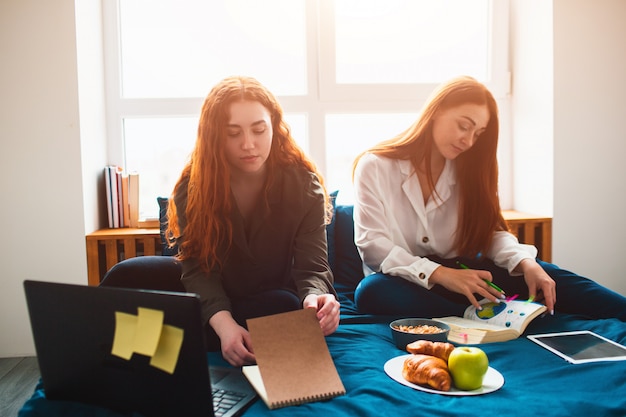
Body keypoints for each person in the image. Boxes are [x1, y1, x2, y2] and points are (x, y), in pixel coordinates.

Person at [351, 75, 626, 321]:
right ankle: (477, 315)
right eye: (464, 126)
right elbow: (373, 247)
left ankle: (487, 311)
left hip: (468, 273)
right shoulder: (374, 166)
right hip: (408, 281)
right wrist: (442, 275)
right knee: (372, 292)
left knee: (545, 276)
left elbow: (491, 233)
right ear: (435, 112)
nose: (469, 141)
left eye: (478, 133)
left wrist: (525, 263)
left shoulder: (470, 168)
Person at [165, 76, 340, 367]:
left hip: (267, 297)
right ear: (214, 136)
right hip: (212, 295)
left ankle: (179, 334)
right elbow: (196, 270)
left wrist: (315, 298)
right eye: (233, 133)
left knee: (284, 306)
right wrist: (225, 326)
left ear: (274, 126)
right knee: (127, 274)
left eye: (259, 130)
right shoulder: (193, 186)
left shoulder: (303, 185)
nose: (248, 144)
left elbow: (313, 267)